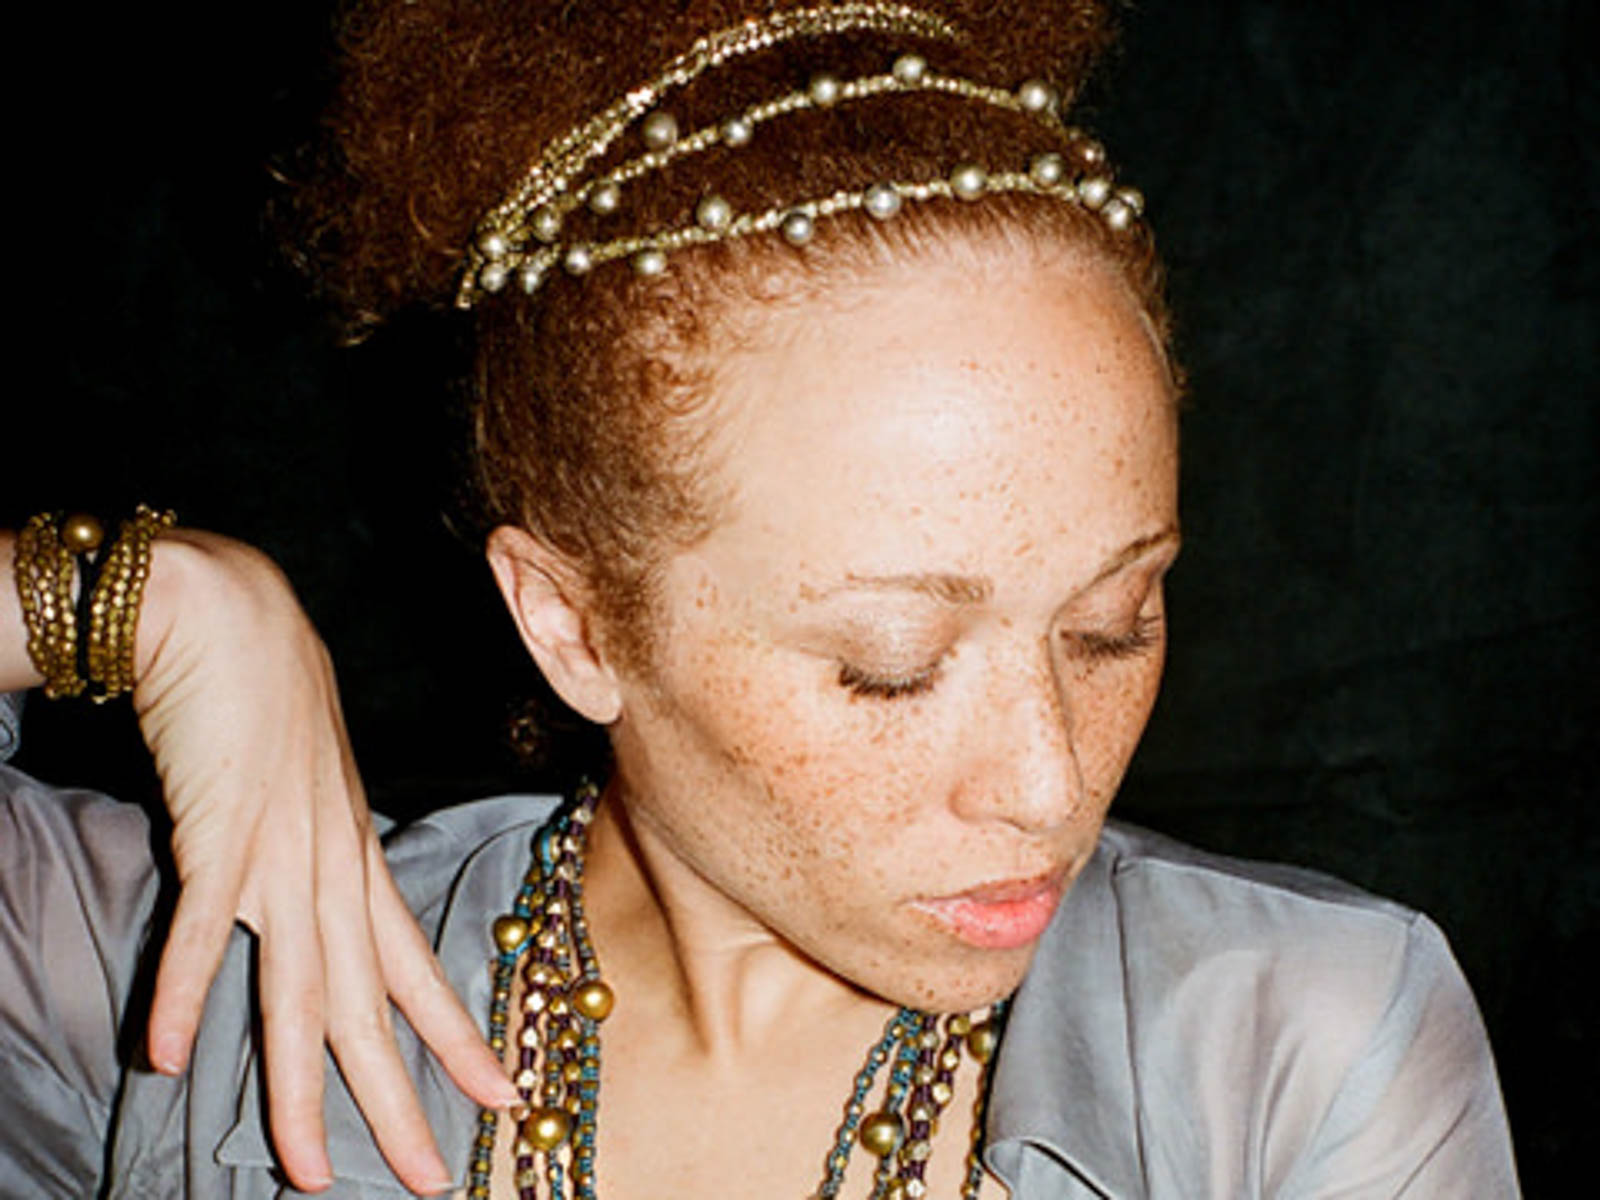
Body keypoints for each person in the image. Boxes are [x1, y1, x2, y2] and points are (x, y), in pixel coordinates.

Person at [0, 1, 1521, 1196]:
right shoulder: (200, 977)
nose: (1051, 783)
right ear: (573, 626)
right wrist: (155, 605)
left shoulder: (1294, 1049)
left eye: (1111, 624)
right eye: (891, 663)